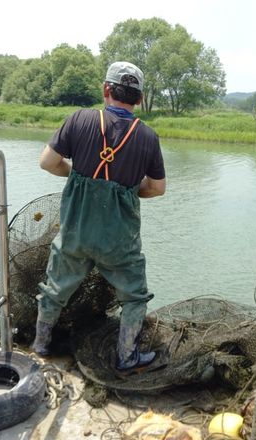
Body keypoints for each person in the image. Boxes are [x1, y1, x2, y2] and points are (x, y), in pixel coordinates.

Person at [33, 61, 166, 372]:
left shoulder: (79, 119)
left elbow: (47, 162)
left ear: (106, 90)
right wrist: (130, 191)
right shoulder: (148, 137)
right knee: (134, 297)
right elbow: (158, 188)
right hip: (119, 241)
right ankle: (127, 356)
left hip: (75, 233)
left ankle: (40, 345)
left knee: (54, 289)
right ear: (139, 98)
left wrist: (74, 175)